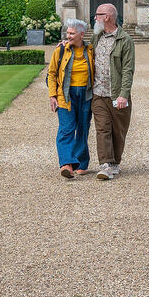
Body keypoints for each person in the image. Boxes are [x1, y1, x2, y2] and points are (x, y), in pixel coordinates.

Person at [91, 3, 135, 180]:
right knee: (102, 129)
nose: (95, 18)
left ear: (107, 17)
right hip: (98, 93)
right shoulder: (96, 37)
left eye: (97, 15)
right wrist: (67, 44)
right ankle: (106, 164)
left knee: (118, 131)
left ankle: (115, 162)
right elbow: (83, 53)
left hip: (117, 94)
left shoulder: (125, 40)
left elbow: (127, 69)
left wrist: (124, 94)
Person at [47, 19, 94, 179]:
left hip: (86, 94)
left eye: (72, 33)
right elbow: (52, 74)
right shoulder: (60, 50)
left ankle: (81, 163)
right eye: (67, 33)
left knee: (83, 128)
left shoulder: (91, 50)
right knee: (66, 128)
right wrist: (52, 95)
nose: (68, 36)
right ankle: (66, 163)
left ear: (82, 34)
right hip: (66, 94)